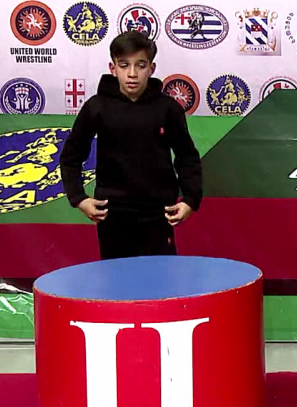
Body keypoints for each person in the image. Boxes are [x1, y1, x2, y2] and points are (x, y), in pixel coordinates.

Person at [59, 30, 203, 260]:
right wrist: (79, 198)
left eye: (140, 65)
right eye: (124, 65)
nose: (132, 74)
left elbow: (187, 157)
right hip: (112, 213)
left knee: (160, 278)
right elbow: (71, 157)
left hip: (158, 213)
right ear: (113, 68)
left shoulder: (168, 109)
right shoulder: (97, 107)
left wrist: (190, 200)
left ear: (151, 69)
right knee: (117, 279)